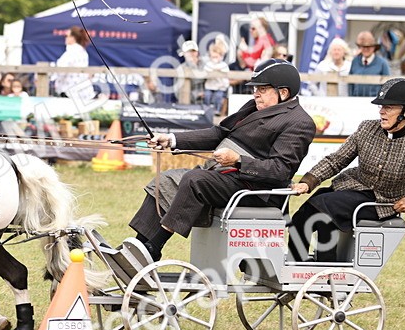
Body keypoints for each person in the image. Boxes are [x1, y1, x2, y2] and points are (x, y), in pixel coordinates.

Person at [123, 59, 316, 264]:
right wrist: (172, 139)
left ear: (283, 92)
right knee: (166, 181)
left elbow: (279, 170)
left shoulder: (300, 123)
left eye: (262, 89)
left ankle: (155, 247)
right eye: (255, 89)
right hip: (226, 175)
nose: (256, 93)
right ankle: (139, 248)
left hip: (255, 189)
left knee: (195, 180)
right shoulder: (253, 107)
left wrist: (238, 161)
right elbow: (218, 133)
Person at [288, 78, 405, 262]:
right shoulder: (366, 128)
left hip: (381, 203)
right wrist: (308, 181)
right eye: (381, 107)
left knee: (323, 204)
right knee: (304, 214)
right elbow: (336, 160)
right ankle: (299, 266)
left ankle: (322, 275)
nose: (382, 111)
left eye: (389, 107)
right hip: (351, 189)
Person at [53, 25, 95, 101]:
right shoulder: (83, 52)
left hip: (71, 91)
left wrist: (51, 73)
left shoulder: (71, 52)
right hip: (83, 91)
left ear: (73, 38)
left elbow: (60, 70)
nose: (65, 38)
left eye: (67, 36)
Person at [348, 31, 390, 97]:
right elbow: (350, 83)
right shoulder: (355, 61)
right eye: (363, 47)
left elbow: (387, 85)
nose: (366, 49)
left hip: (375, 101)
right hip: (356, 100)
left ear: (374, 48)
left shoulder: (382, 63)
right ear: (360, 47)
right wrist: (351, 97)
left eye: (369, 47)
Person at [202, 38, 231, 109]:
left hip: (220, 87)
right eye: (213, 57)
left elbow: (226, 72)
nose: (214, 59)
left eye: (216, 57)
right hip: (210, 86)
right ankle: (207, 109)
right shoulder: (208, 64)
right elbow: (206, 70)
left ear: (221, 57)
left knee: (218, 97)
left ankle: (216, 110)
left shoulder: (223, 65)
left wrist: (218, 70)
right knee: (207, 95)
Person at [174, 40, 205, 104]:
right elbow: (177, 92)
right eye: (188, 52)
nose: (191, 54)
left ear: (197, 52)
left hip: (206, 103)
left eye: (193, 51)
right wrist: (196, 95)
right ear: (184, 54)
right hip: (187, 104)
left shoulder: (206, 65)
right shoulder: (181, 68)